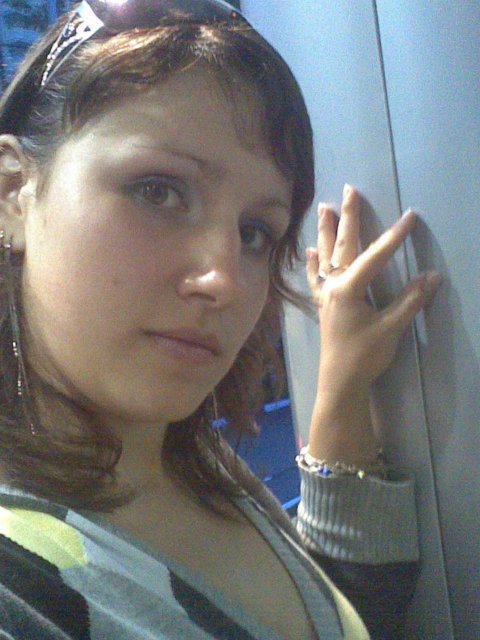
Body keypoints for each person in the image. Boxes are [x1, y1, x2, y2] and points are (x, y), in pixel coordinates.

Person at [0, 1, 442, 638]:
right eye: (158, 191)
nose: (226, 280)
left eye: (255, 232)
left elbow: (331, 613)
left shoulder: (186, 461)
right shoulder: (21, 587)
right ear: (13, 191)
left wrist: (343, 387)